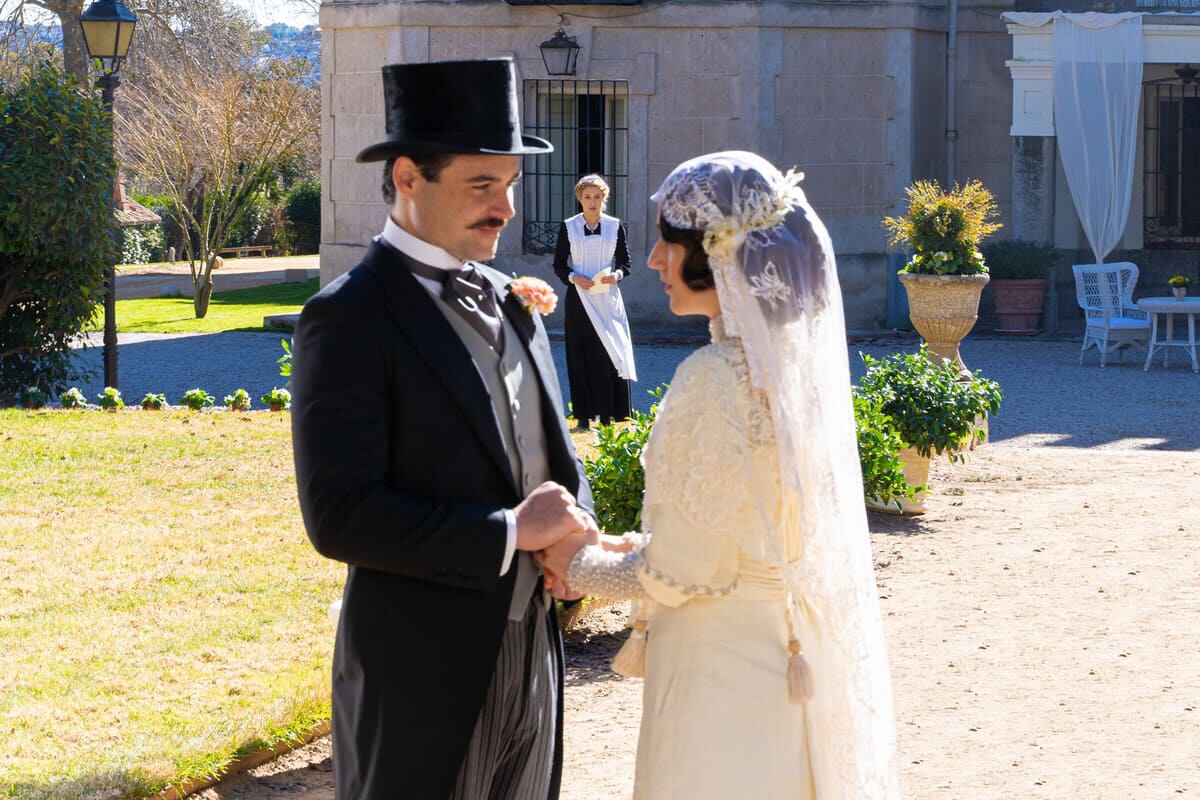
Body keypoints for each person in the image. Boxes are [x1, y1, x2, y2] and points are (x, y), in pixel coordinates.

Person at [540, 151, 900, 799]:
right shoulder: (794, 382)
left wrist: (575, 559)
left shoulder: (712, 378)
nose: (652, 262)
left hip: (720, 672)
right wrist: (630, 546)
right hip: (789, 654)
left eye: (668, 244)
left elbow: (680, 571)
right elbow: (727, 536)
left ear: (717, 255)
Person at [291, 59, 596, 800]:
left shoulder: (509, 296)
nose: (506, 210)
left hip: (535, 653)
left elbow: (537, 451)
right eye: (481, 186)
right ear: (407, 178)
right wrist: (508, 532)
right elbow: (340, 517)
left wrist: (577, 528)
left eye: (511, 185)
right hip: (420, 670)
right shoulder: (348, 318)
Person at [552, 175, 636, 430]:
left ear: (604, 198)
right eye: (587, 197)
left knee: (609, 353)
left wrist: (616, 275)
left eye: (597, 197)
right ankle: (584, 417)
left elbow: (626, 263)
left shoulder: (614, 226)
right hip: (579, 299)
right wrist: (573, 276)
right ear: (579, 199)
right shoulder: (569, 227)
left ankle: (612, 415)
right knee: (579, 356)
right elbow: (558, 264)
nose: (592, 202)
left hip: (607, 297)